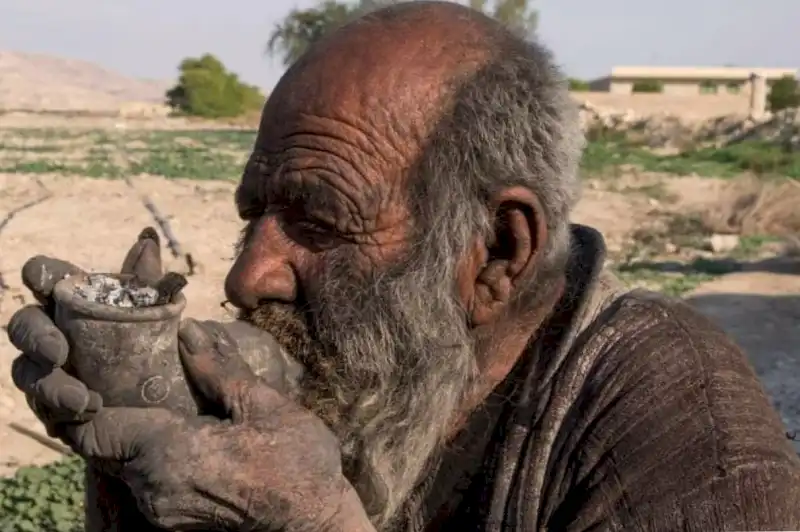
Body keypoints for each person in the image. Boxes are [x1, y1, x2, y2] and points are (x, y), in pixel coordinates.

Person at [7, 2, 800, 531]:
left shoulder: (676, 416)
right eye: (255, 215)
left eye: (320, 222)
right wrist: (134, 438)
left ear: (497, 254)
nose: (247, 279)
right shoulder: (373, 367)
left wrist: (317, 523)